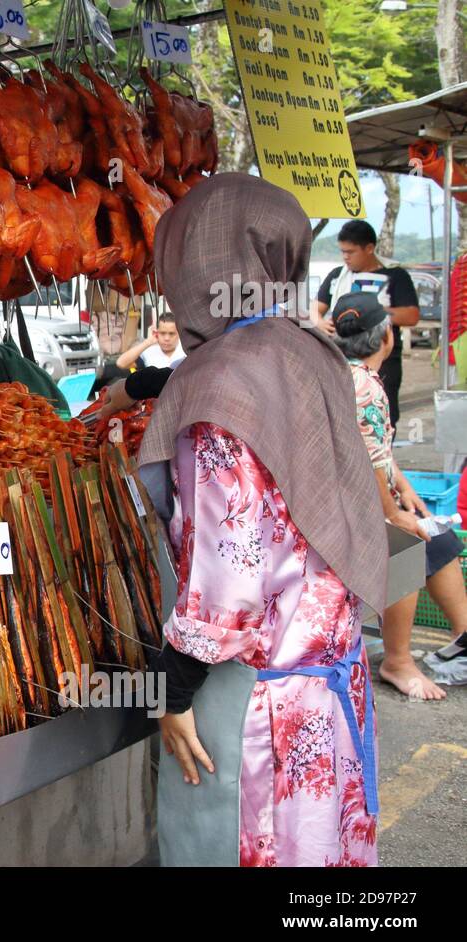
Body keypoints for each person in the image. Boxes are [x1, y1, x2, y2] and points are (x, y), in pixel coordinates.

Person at [141, 174, 387, 867]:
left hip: (259, 702)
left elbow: (230, 575)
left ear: (196, 266)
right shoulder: (314, 353)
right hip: (333, 683)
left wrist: (174, 688)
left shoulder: (216, 386)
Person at [333, 291, 467, 700]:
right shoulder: (365, 387)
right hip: (349, 509)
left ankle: (464, 636)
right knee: (408, 544)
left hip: (354, 498)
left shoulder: (348, 374)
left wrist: (405, 490)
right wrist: (393, 514)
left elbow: (380, 454)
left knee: (440, 538)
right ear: (387, 337)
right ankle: (398, 661)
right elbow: (369, 464)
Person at [311, 220, 419, 431]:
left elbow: (411, 315)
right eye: (342, 251)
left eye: (350, 252)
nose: (345, 257)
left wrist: (369, 313)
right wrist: (319, 323)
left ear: (369, 248)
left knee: (381, 416)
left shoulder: (395, 276)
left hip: (382, 359)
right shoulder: (337, 275)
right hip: (339, 357)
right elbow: (315, 308)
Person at [115, 314, 185, 371]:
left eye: (171, 333)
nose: (167, 338)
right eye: (162, 333)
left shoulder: (186, 351)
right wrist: (148, 342)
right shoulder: (148, 353)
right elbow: (121, 363)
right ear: (156, 332)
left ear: (179, 333)